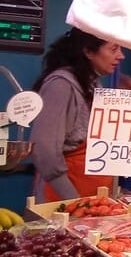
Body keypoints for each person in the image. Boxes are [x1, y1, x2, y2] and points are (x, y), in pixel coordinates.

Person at [30, 28, 125, 202]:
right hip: (64, 199)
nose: (121, 56)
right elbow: (44, 150)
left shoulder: (92, 82)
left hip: (94, 195)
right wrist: (73, 202)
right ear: (88, 51)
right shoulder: (60, 86)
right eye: (113, 49)